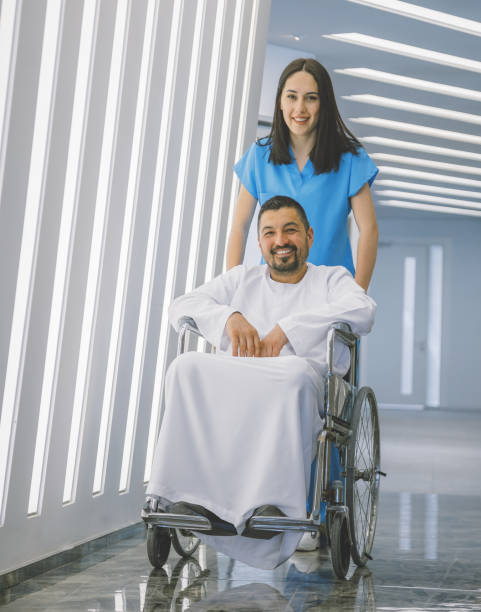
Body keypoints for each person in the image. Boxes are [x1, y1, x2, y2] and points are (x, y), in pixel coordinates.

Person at [146, 196, 376, 569]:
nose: (280, 240)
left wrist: (289, 329)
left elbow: (364, 310)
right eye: (269, 233)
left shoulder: (332, 279)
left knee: (295, 376)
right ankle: (186, 496)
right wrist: (229, 318)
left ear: (309, 236)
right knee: (185, 367)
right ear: (259, 243)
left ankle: (276, 503)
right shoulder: (242, 279)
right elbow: (180, 305)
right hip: (240, 377)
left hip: (299, 378)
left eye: (290, 230)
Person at [226, 57, 379, 291]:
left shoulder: (350, 159)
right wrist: (231, 288)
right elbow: (240, 226)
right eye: (291, 97)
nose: (300, 109)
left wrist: (359, 294)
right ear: (280, 102)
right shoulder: (259, 156)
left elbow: (369, 229)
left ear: (324, 104)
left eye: (311, 98)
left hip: (331, 292)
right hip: (272, 290)